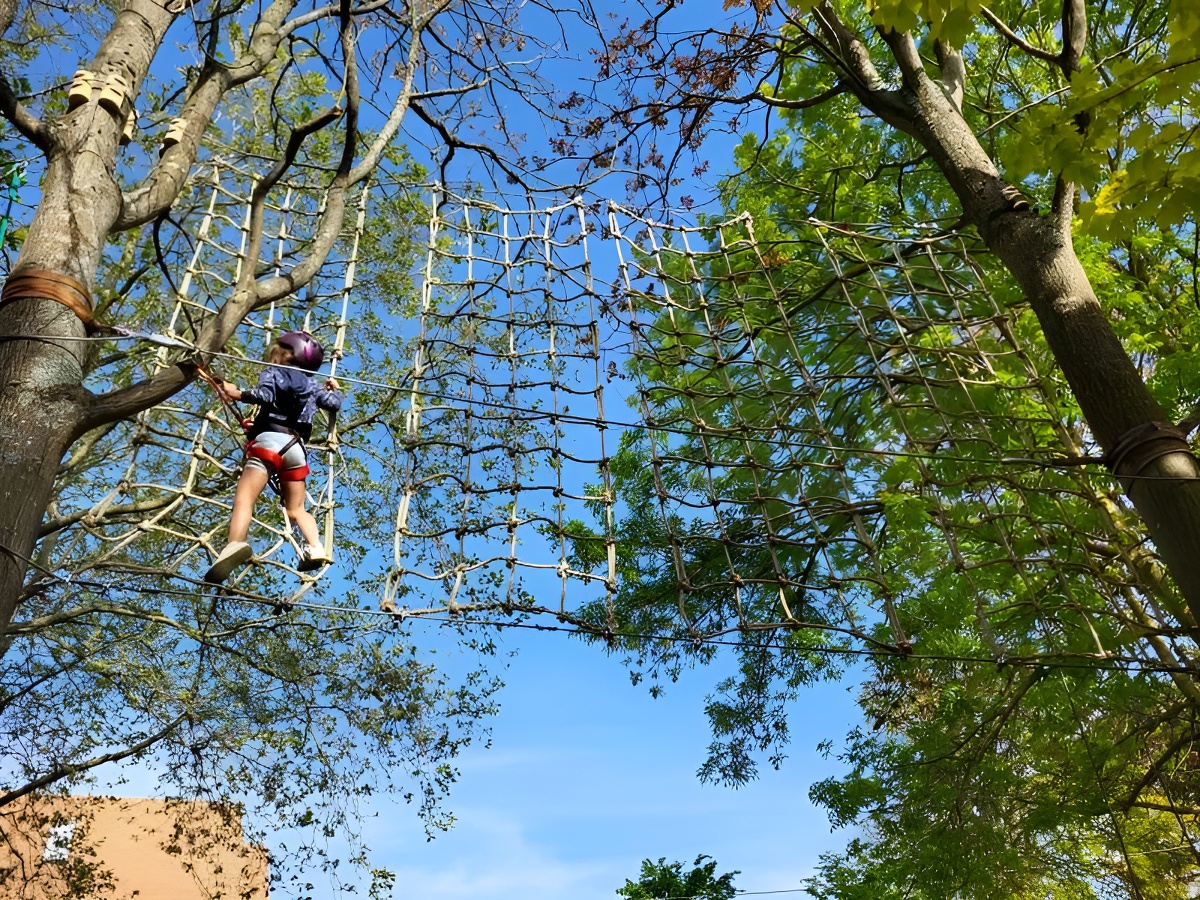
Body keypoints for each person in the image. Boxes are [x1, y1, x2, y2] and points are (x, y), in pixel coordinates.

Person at [204, 331, 343, 584]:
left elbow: (265, 395)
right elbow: (332, 403)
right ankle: (316, 548)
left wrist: (237, 393)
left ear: (287, 354)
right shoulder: (312, 384)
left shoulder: (273, 372)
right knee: (296, 509)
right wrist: (335, 390)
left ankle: (235, 543)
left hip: (269, 444)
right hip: (296, 450)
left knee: (245, 499)